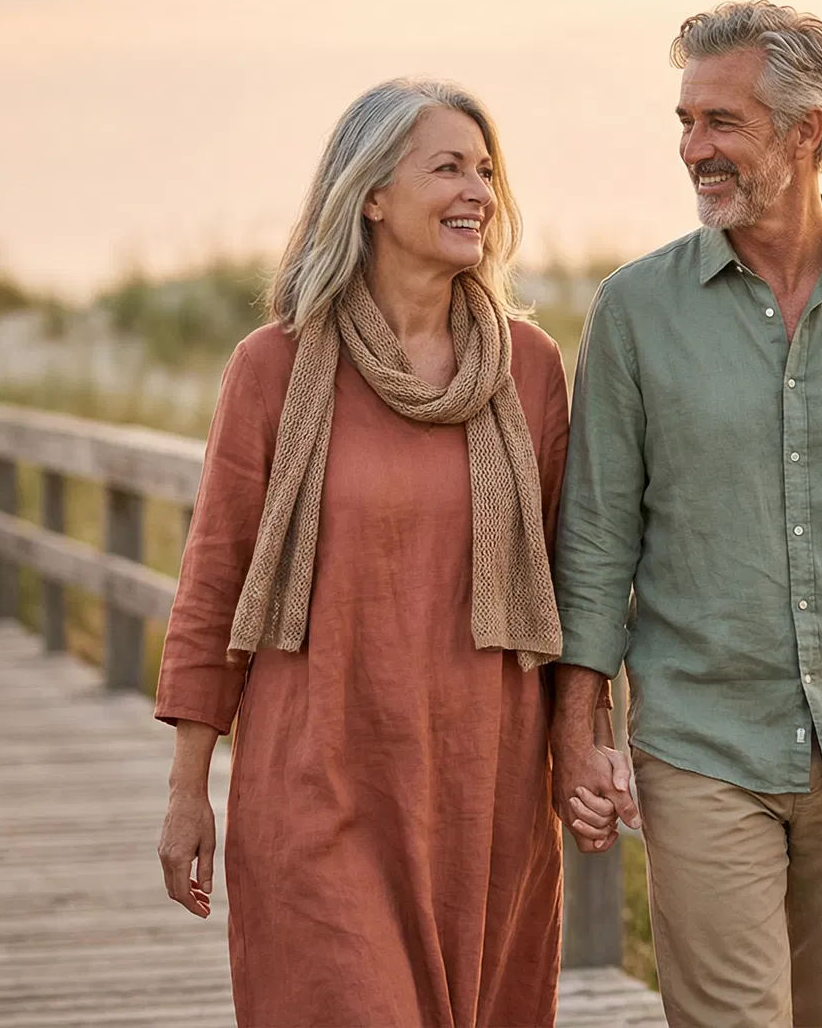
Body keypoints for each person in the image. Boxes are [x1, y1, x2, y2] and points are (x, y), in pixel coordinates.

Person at [550, 0, 822, 1028]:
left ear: (807, 132)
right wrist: (579, 727)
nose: (692, 148)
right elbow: (597, 539)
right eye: (685, 122)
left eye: (721, 122)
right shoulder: (634, 311)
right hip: (702, 746)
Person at [152, 77, 619, 1027]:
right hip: (319, 779)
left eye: (485, 170)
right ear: (370, 194)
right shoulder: (274, 366)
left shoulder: (528, 370)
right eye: (448, 168)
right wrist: (186, 791)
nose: (478, 191)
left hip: (483, 792)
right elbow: (215, 580)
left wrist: (583, 743)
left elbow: (573, 583)